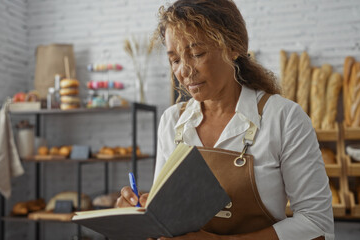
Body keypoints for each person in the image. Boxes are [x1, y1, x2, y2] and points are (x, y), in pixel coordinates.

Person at [116, 0, 334, 239]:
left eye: (197, 54)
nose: (185, 71)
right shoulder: (172, 121)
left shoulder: (284, 118)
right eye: (175, 60)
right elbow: (166, 222)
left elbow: (317, 224)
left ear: (234, 46)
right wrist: (142, 217)